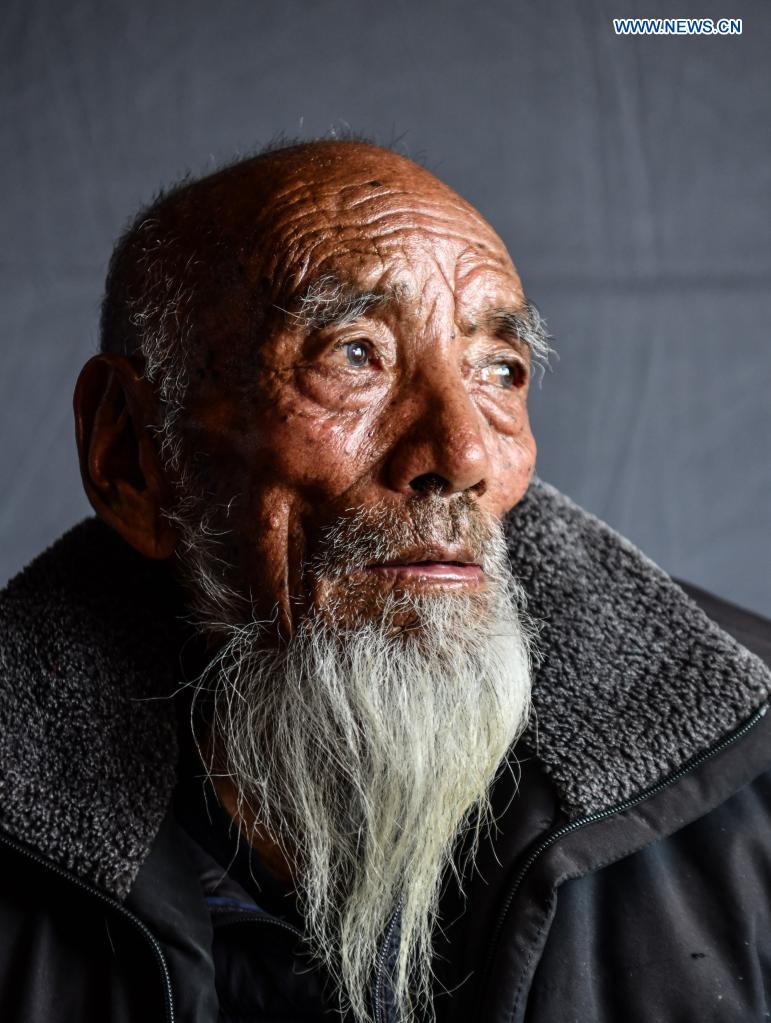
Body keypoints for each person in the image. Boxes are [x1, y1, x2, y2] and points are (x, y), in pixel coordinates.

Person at [0, 138, 769, 1023]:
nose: (463, 453)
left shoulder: (752, 774)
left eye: (498, 370)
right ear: (132, 454)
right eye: (355, 353)